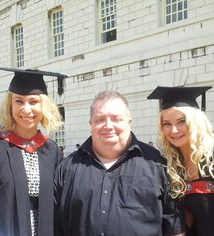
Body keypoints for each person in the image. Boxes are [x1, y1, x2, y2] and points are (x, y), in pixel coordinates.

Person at [54, 91, 186, 236]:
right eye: (100, 119)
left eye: (116, 119)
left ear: (129, 122)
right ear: (91, 124)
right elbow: (55, 225)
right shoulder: (66, 168)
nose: (108, 126)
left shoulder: (157, 164)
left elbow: (174, 226)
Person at [0, 66, 65, 236]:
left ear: (43, 106)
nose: (26, 109)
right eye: (19, 101)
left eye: (33, 101)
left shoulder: (50, 150)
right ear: (10, 104)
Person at [147, 86, 214, 236]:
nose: (174, 130)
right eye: (167, 124)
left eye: (181, 121)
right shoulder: (172, 167)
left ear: (196, 122)